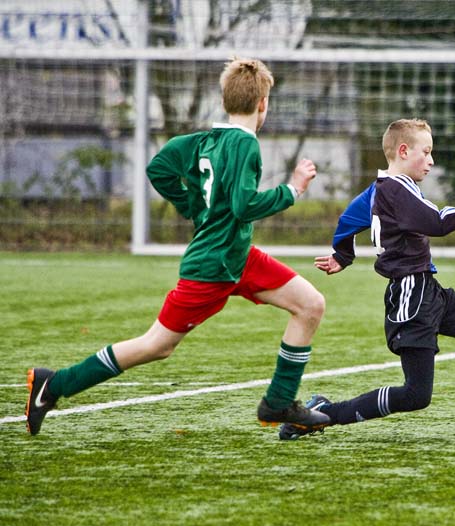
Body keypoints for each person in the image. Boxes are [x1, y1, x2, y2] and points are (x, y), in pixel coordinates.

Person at [25, 57, 330, 436]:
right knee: (156, 345)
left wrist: (195, 209)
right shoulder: (245, 145)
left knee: (310, 304)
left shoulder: (203, 140)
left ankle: (279, 402)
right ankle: (54, 385)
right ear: (263, 103)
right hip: (212, 266)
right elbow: (243, 205)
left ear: (225, 100)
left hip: (237, 256)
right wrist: (293, 189)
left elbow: (159, 167)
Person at [280, 118, 455, 441]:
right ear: (403, 151)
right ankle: (322, 413)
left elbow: (349, 218)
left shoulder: (381, 188)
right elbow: (439, 222)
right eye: (426, 152)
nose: (431, 161)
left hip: (429, 293)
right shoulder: (397, 189)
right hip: (411, 301)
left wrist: (342, 256)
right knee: (416, 395)